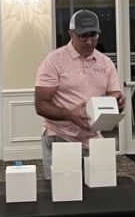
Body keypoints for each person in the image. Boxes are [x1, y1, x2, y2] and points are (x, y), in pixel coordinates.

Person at [34, 10, 124, 179]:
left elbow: (114, 96)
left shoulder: (105, 63)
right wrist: (69, 114)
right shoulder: (54, 60)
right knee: (63, 193)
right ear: (71, 34)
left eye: (94, 36)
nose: (90, 42)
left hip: (93, 139)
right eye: (83, 36)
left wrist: (117, 104)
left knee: (98, 193)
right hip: (60, 136)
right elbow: (41, 105)